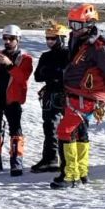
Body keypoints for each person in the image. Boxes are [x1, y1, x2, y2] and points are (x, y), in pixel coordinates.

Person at [51, 4, 105, 189]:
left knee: (65, 132)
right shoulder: (78, 39)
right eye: (71, 25)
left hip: (86, 96)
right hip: (76, 93)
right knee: (79, 132)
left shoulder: (101, 46)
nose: (73, 29)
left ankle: (69, 175)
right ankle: (81, 173)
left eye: (77, 25)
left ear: (90, 23)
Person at [0, 25, 34, 175]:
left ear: (18, 39)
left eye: (11, 39)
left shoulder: (25, 58)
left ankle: (16, 163)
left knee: (16, 131)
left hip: (13, 99)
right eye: (5, 38)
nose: (7, 42)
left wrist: (9, 64)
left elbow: (22, 78)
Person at [31, 23, 70, 173]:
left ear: (61, 38)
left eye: (53, 38)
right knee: (49, 127)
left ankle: (67, 160)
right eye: (48, 38)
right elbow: (37, 76)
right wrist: (54, 73)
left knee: (67, 129)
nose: (49, 41)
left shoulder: (70, 55)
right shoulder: (46, 56)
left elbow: (69, 75)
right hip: (50, 95)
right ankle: (50, 159)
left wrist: (52, 72)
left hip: (66, 95)